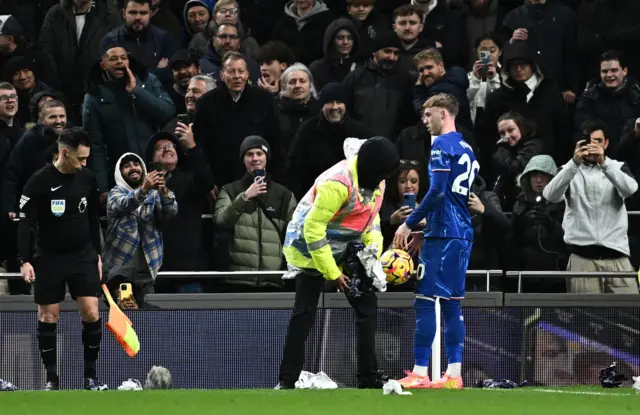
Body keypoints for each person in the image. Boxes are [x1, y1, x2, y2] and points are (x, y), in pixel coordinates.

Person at [276, 136, 400, 390]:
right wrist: (332, 273)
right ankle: (287, 380)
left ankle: (368, 377)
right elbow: (312, 229)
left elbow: (371, 220)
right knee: (304, 312)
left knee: (367, 307)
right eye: (382, 174)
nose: (383, 179)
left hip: (346, 244)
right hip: (308, 248)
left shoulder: (378, 180)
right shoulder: (337, 183)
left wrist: (372, 254)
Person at [393, 93, 478, 389]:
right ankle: (454, 375)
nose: (424, 121)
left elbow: (438, 191)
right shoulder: (467, 147)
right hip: (462, 232)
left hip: (443, 233)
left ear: (443, 114)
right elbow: (457, 197)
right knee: (454, 303)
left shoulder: (441, 144)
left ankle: (420, 371)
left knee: (425, 300)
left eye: (429, 115)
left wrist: (409, 223)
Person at [17, 127, 106, 391]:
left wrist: (97, 253)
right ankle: (52, 379)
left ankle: (90, 377)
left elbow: (92, 219)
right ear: (64, 153)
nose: (84, 163)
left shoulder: (87, 179)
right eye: (80, 158)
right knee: (48, 316)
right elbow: (25, 223)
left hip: (82, 255)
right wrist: (24, 259)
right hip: (49, 256)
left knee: (91, 311)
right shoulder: (39, 181)